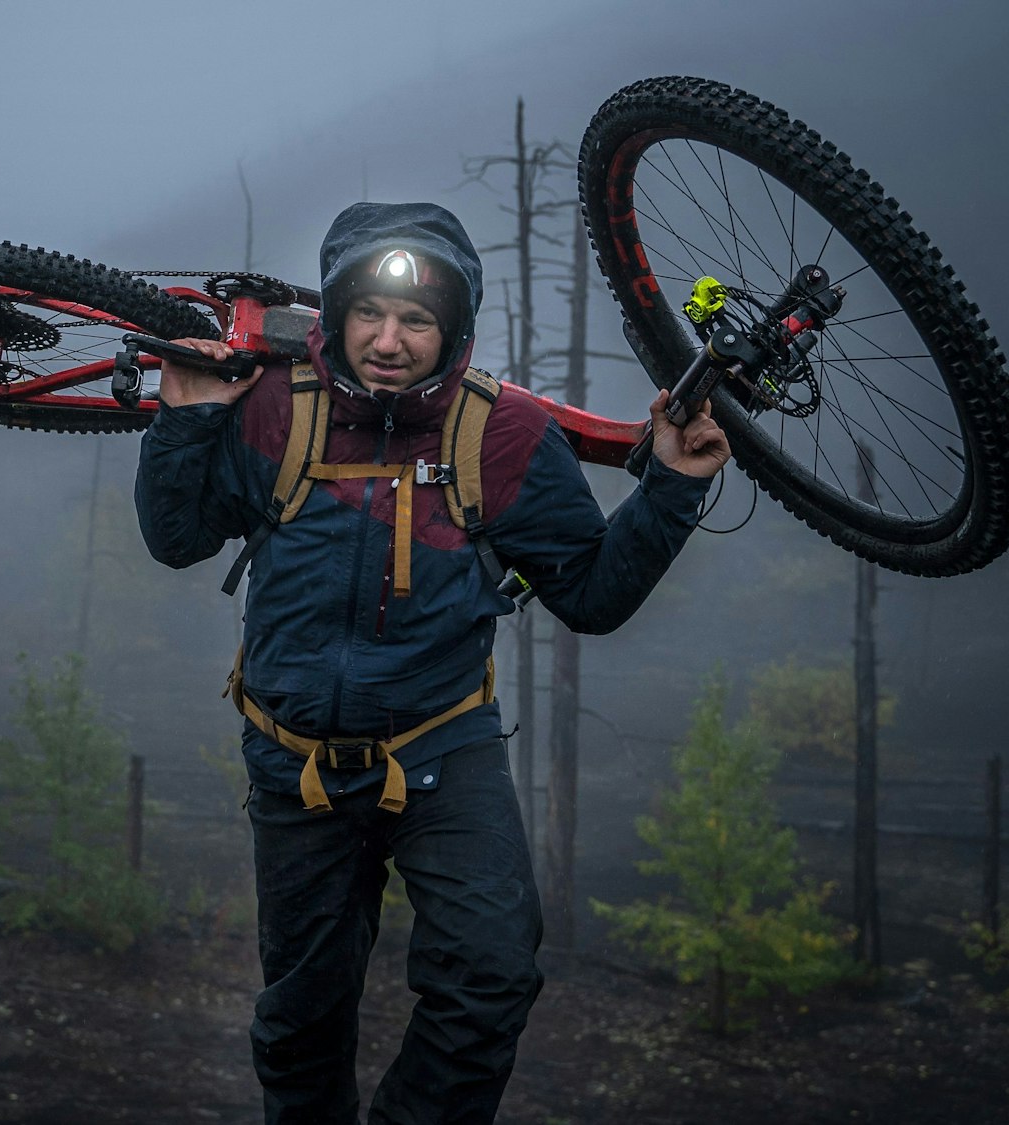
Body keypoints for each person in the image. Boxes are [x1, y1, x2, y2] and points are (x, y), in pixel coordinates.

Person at [135, 201, 728, 1124]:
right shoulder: (268, 410)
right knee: (300, 1018)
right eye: (368, 311)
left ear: (452, 329)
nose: (387, 338)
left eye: (416, 318)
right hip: (295, 767)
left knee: (488, 979)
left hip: (444, 751)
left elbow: (594, 596)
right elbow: (174, 538)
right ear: (333, 315)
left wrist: (674, 487)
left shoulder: (508, 436)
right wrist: (185, 422)